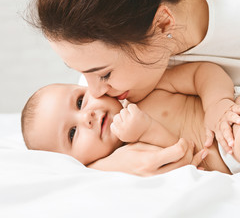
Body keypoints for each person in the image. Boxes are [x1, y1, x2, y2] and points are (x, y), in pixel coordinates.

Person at [27, 0, 240, 173]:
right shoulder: (108, 99)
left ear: (163, 24)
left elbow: (203, 74)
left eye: (104, 74)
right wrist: (108, 167)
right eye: (81, 72)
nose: (94, 91)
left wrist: (218, 104)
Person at [21, 62, 240, 175]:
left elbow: (201, 73)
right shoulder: (129, 160)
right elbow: (182, 155)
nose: (86, 117)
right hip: (229, 156)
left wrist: (217, 104)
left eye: (79, 102)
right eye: (72, 133)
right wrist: (146, 131)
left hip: (228, 116)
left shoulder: (142, 91)